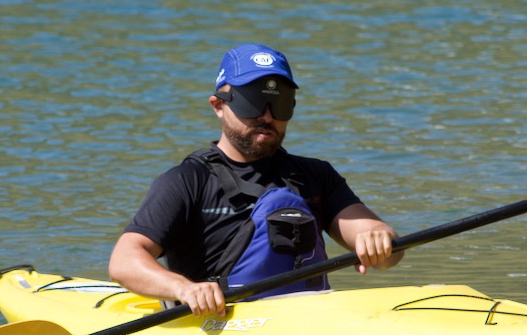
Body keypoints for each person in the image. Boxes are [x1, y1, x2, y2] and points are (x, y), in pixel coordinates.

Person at [109, 43, 401, 318]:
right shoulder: (186, 181)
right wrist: (183, 288)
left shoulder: (316, 175)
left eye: (280, 104)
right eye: (252, 102)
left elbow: (382, 247)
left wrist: (379, 241)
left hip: (308, 319)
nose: (267, 116)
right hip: (221, 321)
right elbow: (123, 262)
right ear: (217, 105)